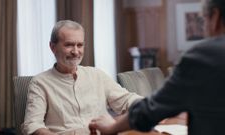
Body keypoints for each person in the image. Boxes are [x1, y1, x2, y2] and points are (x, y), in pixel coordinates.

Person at [89, 0, 225, 135]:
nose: (204, 27)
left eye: (204, 20)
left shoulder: (203, 56)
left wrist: (112, 127)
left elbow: (152, 109)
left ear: (215, 16)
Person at [21, 20, 142, 135]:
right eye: (68, 45)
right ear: (52, 47)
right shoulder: (39, 83)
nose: (75, 51)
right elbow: (33, 125)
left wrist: (152, 109)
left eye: (80, 45)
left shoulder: (97, 75)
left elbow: (128, 100)